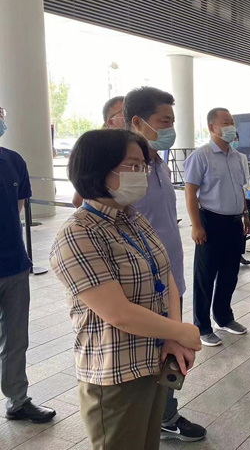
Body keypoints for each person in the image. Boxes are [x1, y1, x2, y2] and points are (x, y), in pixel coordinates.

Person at [49, 129, 201, 450]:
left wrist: (172, 336)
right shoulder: (79, 233)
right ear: (99, 168)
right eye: (133, 166)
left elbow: (166, 275)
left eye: (143, 166)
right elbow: (118, 313)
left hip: (153, 362)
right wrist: (181, 330)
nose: (141, 174)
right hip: (115, 375)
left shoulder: (132, 218)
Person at [124, 87, 207, 442]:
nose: (170, 128)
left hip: (171, 276)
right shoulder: (126, 172)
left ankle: (165, 414)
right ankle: (154, 417)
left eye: (172, 121)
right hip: (143, 283)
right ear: (138, 122)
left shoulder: (158, 162)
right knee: (149, 354)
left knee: (172, 351)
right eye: (164, 121)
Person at [0, 106, 56, 424]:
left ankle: (17, 400)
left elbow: (17, 208)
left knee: (16, 339)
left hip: (14, 265)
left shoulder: (13, 161)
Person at [184, 107, 249, 347]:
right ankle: (202, 326)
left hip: (234, 223)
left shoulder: (238, 157)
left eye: (232, 121)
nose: (231, 126)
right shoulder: (201, 156)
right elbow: (190, 193)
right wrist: (196, 225)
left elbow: (241, 189)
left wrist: (245, 214)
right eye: (226, 122)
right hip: (210, 222)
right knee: (205, 277)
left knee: (230, 273)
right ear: (212, 127)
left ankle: (224, 317)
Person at [72, 96, 126, 208]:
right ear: (110, 122)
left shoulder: (143, 150)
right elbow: (77, 200)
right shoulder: (100, 152)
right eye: (124, 112)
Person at [232, 131, 250, 266]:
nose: (234, 141)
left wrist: (247, 192)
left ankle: (239, 254)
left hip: (243, 195)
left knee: (242, 229)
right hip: (230, 200)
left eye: (236, 138)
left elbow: (246, 177)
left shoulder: (241, 157)